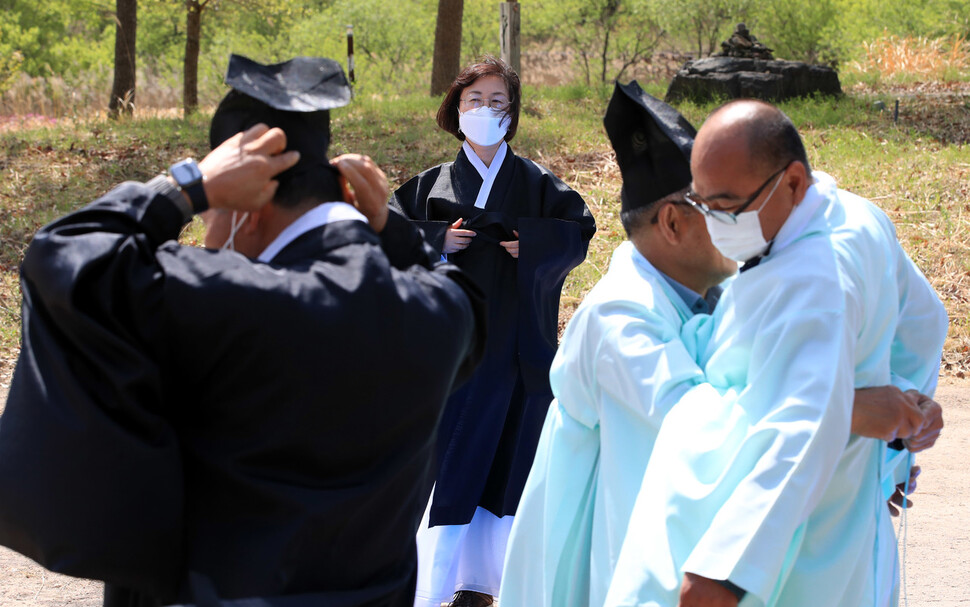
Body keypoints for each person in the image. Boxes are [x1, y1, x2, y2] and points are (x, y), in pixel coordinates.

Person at [0, 54, 485, 607]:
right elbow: (468, 299)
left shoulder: (216, 298)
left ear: (247, 208)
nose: (206, 233)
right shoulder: (431, 310)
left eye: (212, 214)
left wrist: (189, 186)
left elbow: (63, 258)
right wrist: (393, 228)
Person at [499, 82, 942, 607]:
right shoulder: (620, 320)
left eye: (725, 204)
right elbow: (694, 426)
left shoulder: (756, 272)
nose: (727, 224)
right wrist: (845, 412)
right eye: (711, 207)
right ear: (673, 221)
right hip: (611, 535)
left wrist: (888, 440)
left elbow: (914, 325)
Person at [390, 55, 596, 607]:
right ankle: (432, 584)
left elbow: (579, 229)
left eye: (497, 103)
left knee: (508, 458)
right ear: (457, 109)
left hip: (512, 349)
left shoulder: (534, 183)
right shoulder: (429, 185)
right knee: (446, 459)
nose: (485, 110)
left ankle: (484, 585)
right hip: (448, 351)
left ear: (512, 115)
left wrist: (533, 243)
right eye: (475, 100)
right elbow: (387, 233)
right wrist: (434, 240)